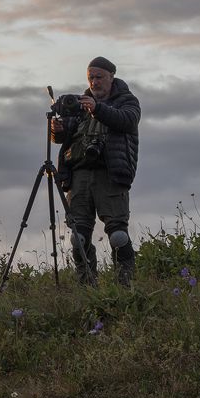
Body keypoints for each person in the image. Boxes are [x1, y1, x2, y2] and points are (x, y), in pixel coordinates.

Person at [51, 56, 140, 286]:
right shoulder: (81, 105)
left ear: (111, 76)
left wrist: (97, 108)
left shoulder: (127, 101)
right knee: (77, 238)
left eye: (99, 77)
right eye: (91, 77)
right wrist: (57, 130)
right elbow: (65, 137)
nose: (94, 82)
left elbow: (126, 120)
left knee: (118, 236)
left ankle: (124, 287)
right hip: (79, 176)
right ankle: (88, 287)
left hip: (110, 175)